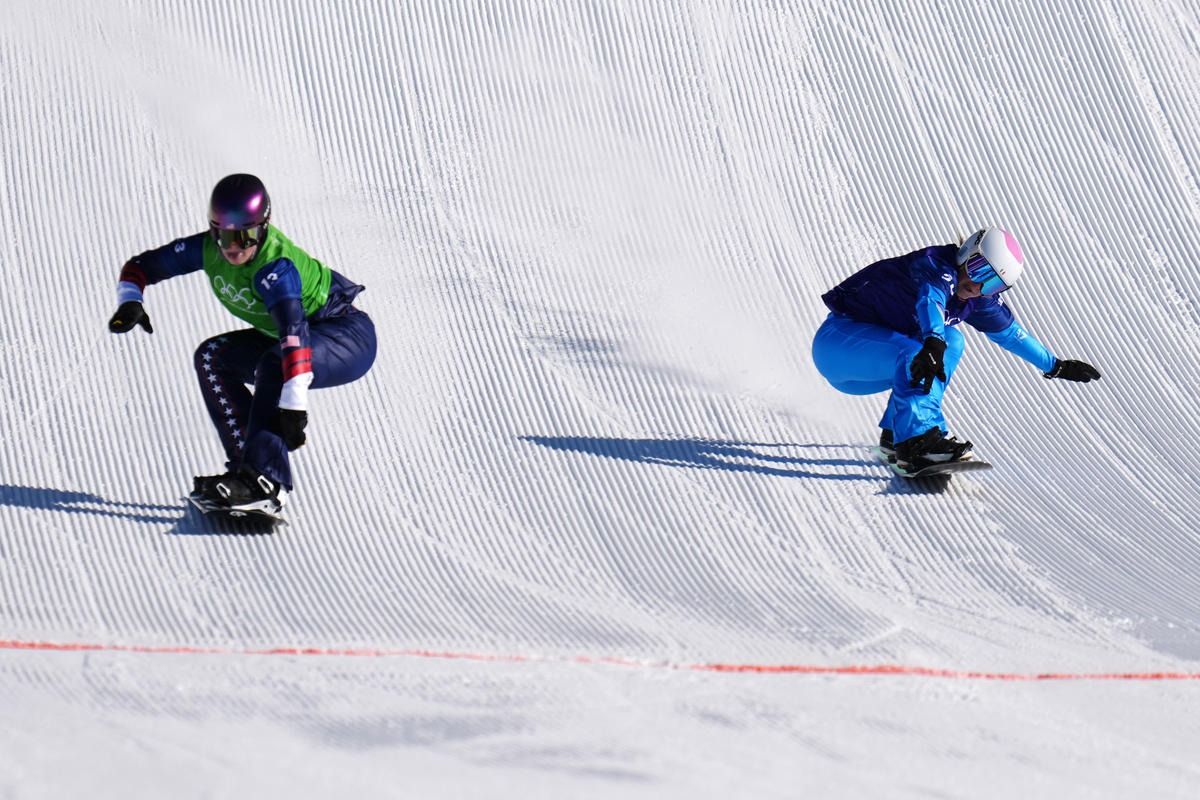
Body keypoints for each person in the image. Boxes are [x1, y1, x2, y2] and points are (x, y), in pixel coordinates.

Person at [107, 174, 377, 514]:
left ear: (263, 228)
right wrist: (130, 299)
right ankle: (246, 472)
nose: (233, 247)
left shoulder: (274, 266)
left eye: (245, 236)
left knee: (274, 362)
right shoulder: (207, 250)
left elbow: (293, 332)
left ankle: (268, 482)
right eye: (223, 236)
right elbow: (140, 266)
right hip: (293, 339)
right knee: (212, 356)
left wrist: (294, 406)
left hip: (345, 334)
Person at [812, 228, 1100, 470]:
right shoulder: (935, 265)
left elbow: (1012, 335)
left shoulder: (977, 298)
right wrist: (933, 339)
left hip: (873, 364)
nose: (977, 285)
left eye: (992, 283)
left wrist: (1055, 365)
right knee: (918, 348)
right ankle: (917, 441)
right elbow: (931, 299)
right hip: (837, 344)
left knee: (953, 340)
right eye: (979, 270)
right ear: (965, 254)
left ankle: (898, 433)